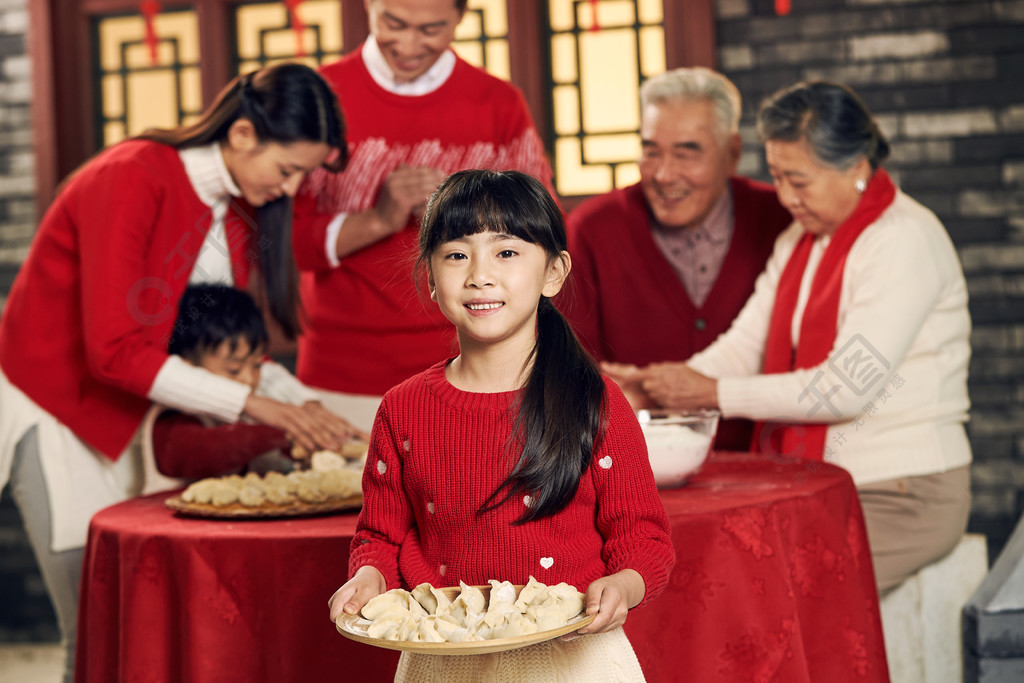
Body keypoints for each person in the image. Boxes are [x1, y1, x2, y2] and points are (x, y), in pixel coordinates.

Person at [0, 62, 354, 682]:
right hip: (55, 413)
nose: (291, 189)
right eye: (288, 169)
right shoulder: (131, 177)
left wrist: (307, 411)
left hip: (127, 422)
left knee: (132, 625)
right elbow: (114, 351)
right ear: (244, 135)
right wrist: (256, 407)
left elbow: (222, 351)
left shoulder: (235, 210)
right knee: (92, 628)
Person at [607, 81, 972, 594]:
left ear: (856, 168)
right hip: (822, 483)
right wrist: (660, 385)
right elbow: (746, 345)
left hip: (903, 492)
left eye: (799, 181)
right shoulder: (800, 241)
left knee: (774, 596)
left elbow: (845, 387)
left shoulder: (904, 239)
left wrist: (708, 394)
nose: (786, 198)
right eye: (777, 178)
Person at [327, 170, 674, 681]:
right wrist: (368, 576)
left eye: (506, 253)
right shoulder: (401, 409)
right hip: (441, 660)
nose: (479, 275)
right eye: (456, 254)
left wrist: (624, 585)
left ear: (554, 273)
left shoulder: (594, 401)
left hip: (573, 660)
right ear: (430, 275)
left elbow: (643, 537)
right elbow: (380, 535)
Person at [292, 0, 554, 432]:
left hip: (478, 367)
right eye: (394, 23)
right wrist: (379, 219)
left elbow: (542, 238)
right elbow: (281, 247)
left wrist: (458, 204)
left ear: (460, 18)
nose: (410, 45)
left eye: (431, 29)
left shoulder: (499, 102)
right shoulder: (318, 98)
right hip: (341, 374)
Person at [562, 67, 791, 451]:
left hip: (768, 463)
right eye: (651, 152)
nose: (664, 174)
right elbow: (569, 367)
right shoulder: (591, 228)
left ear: (732, 154)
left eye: (687, 153)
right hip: (637, 471)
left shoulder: (782, 219)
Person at [140, 284, 365, 494]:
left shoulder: (258, 402)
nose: (249, 379)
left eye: (257, 365)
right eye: (234, 370)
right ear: (187, 368)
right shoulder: (172, 417)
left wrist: (324, 438)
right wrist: (288, 433)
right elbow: (200, 453)